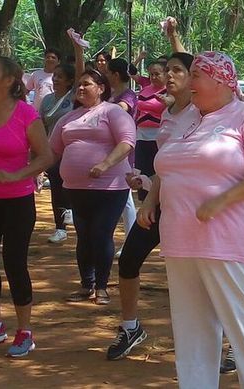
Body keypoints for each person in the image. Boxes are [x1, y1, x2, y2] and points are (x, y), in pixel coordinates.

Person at [148, 51, 244, 388]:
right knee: (191, 326)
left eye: (196, 75)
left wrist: (222, 200)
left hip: (226, 241)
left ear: (220, 79)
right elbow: (165, 166)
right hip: (180, 238)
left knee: (241, 324)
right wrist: (151, 197)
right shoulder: (184, 118)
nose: (188, 82)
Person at [106, 52, 195, 361]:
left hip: (195, 210)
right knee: (128, 261)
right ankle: (130, 327)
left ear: (193, 75)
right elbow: (166, 165)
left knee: (203, 278)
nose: (167, 75)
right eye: (165, 70)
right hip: (162, 202)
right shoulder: (169, 113)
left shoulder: (206, 113)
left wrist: (173, 36)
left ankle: (231, 342)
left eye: (176, 70)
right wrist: (148, 192)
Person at [0, 57, 53, 357]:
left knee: (14, 263)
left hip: (18, 201)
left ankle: (25, 331)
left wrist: (16, 176)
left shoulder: (25, 113)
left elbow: (46, 156)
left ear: (8, 81)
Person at [49, 69, 136, 305]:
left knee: (100, 233)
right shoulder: (68, 118)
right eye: (78, 84)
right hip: (76, 187)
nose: (81, 88)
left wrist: (105, 164)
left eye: (87, 84)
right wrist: (32, 170)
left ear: (101, 88)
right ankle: (86, 284)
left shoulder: (113, 112)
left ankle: (102, 286)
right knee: (84, 236)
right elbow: (53, 150)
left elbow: (127, 142)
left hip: (110, 186)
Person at [40, 64, 76, 244]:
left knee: (70, 185)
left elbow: (81, 69)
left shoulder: (75, 97)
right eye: (54, 76)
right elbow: (41, 126)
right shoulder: (47, 100)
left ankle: (72, 211)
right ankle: (60, 228)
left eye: (60, 76)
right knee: (55, 185)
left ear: (70, 81)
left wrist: (78, 48)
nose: (55, 79)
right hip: (52, 150)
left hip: (71, 149)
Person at [106, 58, 138, 255]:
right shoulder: (110, 94)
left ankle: (130, 241)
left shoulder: (128, 95)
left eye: (108, 72)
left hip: (124, 149)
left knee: (125, 197)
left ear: (116, 75)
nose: (106, 76)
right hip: (110, 148)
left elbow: (122, 109)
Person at [133, 61, 166, 200]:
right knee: (142, 170)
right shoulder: (145, 89)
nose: (153, 77)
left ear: (165, 74)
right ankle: (144, 198)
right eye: (151, 74)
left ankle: (157, 199)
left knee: (156, 170)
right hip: (141, 136)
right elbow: (138, 111)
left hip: (158, 137)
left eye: (157, 74)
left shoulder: (169, 91)